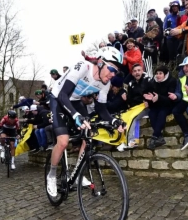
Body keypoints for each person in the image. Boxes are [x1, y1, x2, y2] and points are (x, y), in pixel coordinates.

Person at [47, 46, 126, 197]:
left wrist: (115, 121)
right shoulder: (83, 67)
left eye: (116, 72)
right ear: (101, 62)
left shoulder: (105, 83)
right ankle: (51, 174)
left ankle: (77, 174)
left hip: (75, 101)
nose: (112, 74)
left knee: (88, 133)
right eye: (111, 69)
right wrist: (76, 115)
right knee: (63, 142)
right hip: (59, 98)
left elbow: (102, 109)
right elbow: (63, 94)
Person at [143, 66, 177, 150]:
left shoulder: (172, 81)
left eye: (160, 73)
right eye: (157, 73)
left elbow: (170, 100)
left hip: (168, 105)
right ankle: (160, 137)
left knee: (162, 113)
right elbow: (148, 94)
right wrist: (147, 100)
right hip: (156, 105)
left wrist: (159, 98)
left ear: (165, 75)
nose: (158, 75)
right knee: (151, 113)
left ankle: (154, 137)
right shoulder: (152, 82)